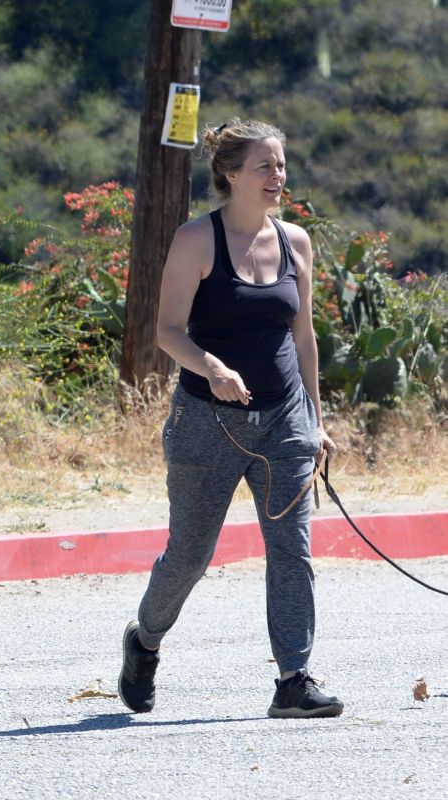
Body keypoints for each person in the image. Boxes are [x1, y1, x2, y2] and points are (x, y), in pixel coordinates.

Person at [118, 118, 344, 719]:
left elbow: (304, 337)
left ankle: (293, 680)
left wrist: (315, 420)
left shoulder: (296, 241)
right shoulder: (196, 240)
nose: (279, 176)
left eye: (281, 164)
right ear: (231, 174)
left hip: (284, 422)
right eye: (266, 165)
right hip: (205, 422)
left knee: (291, 551)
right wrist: (212, 367)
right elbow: (166, 329)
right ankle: (144, 641)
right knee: (190, 557)